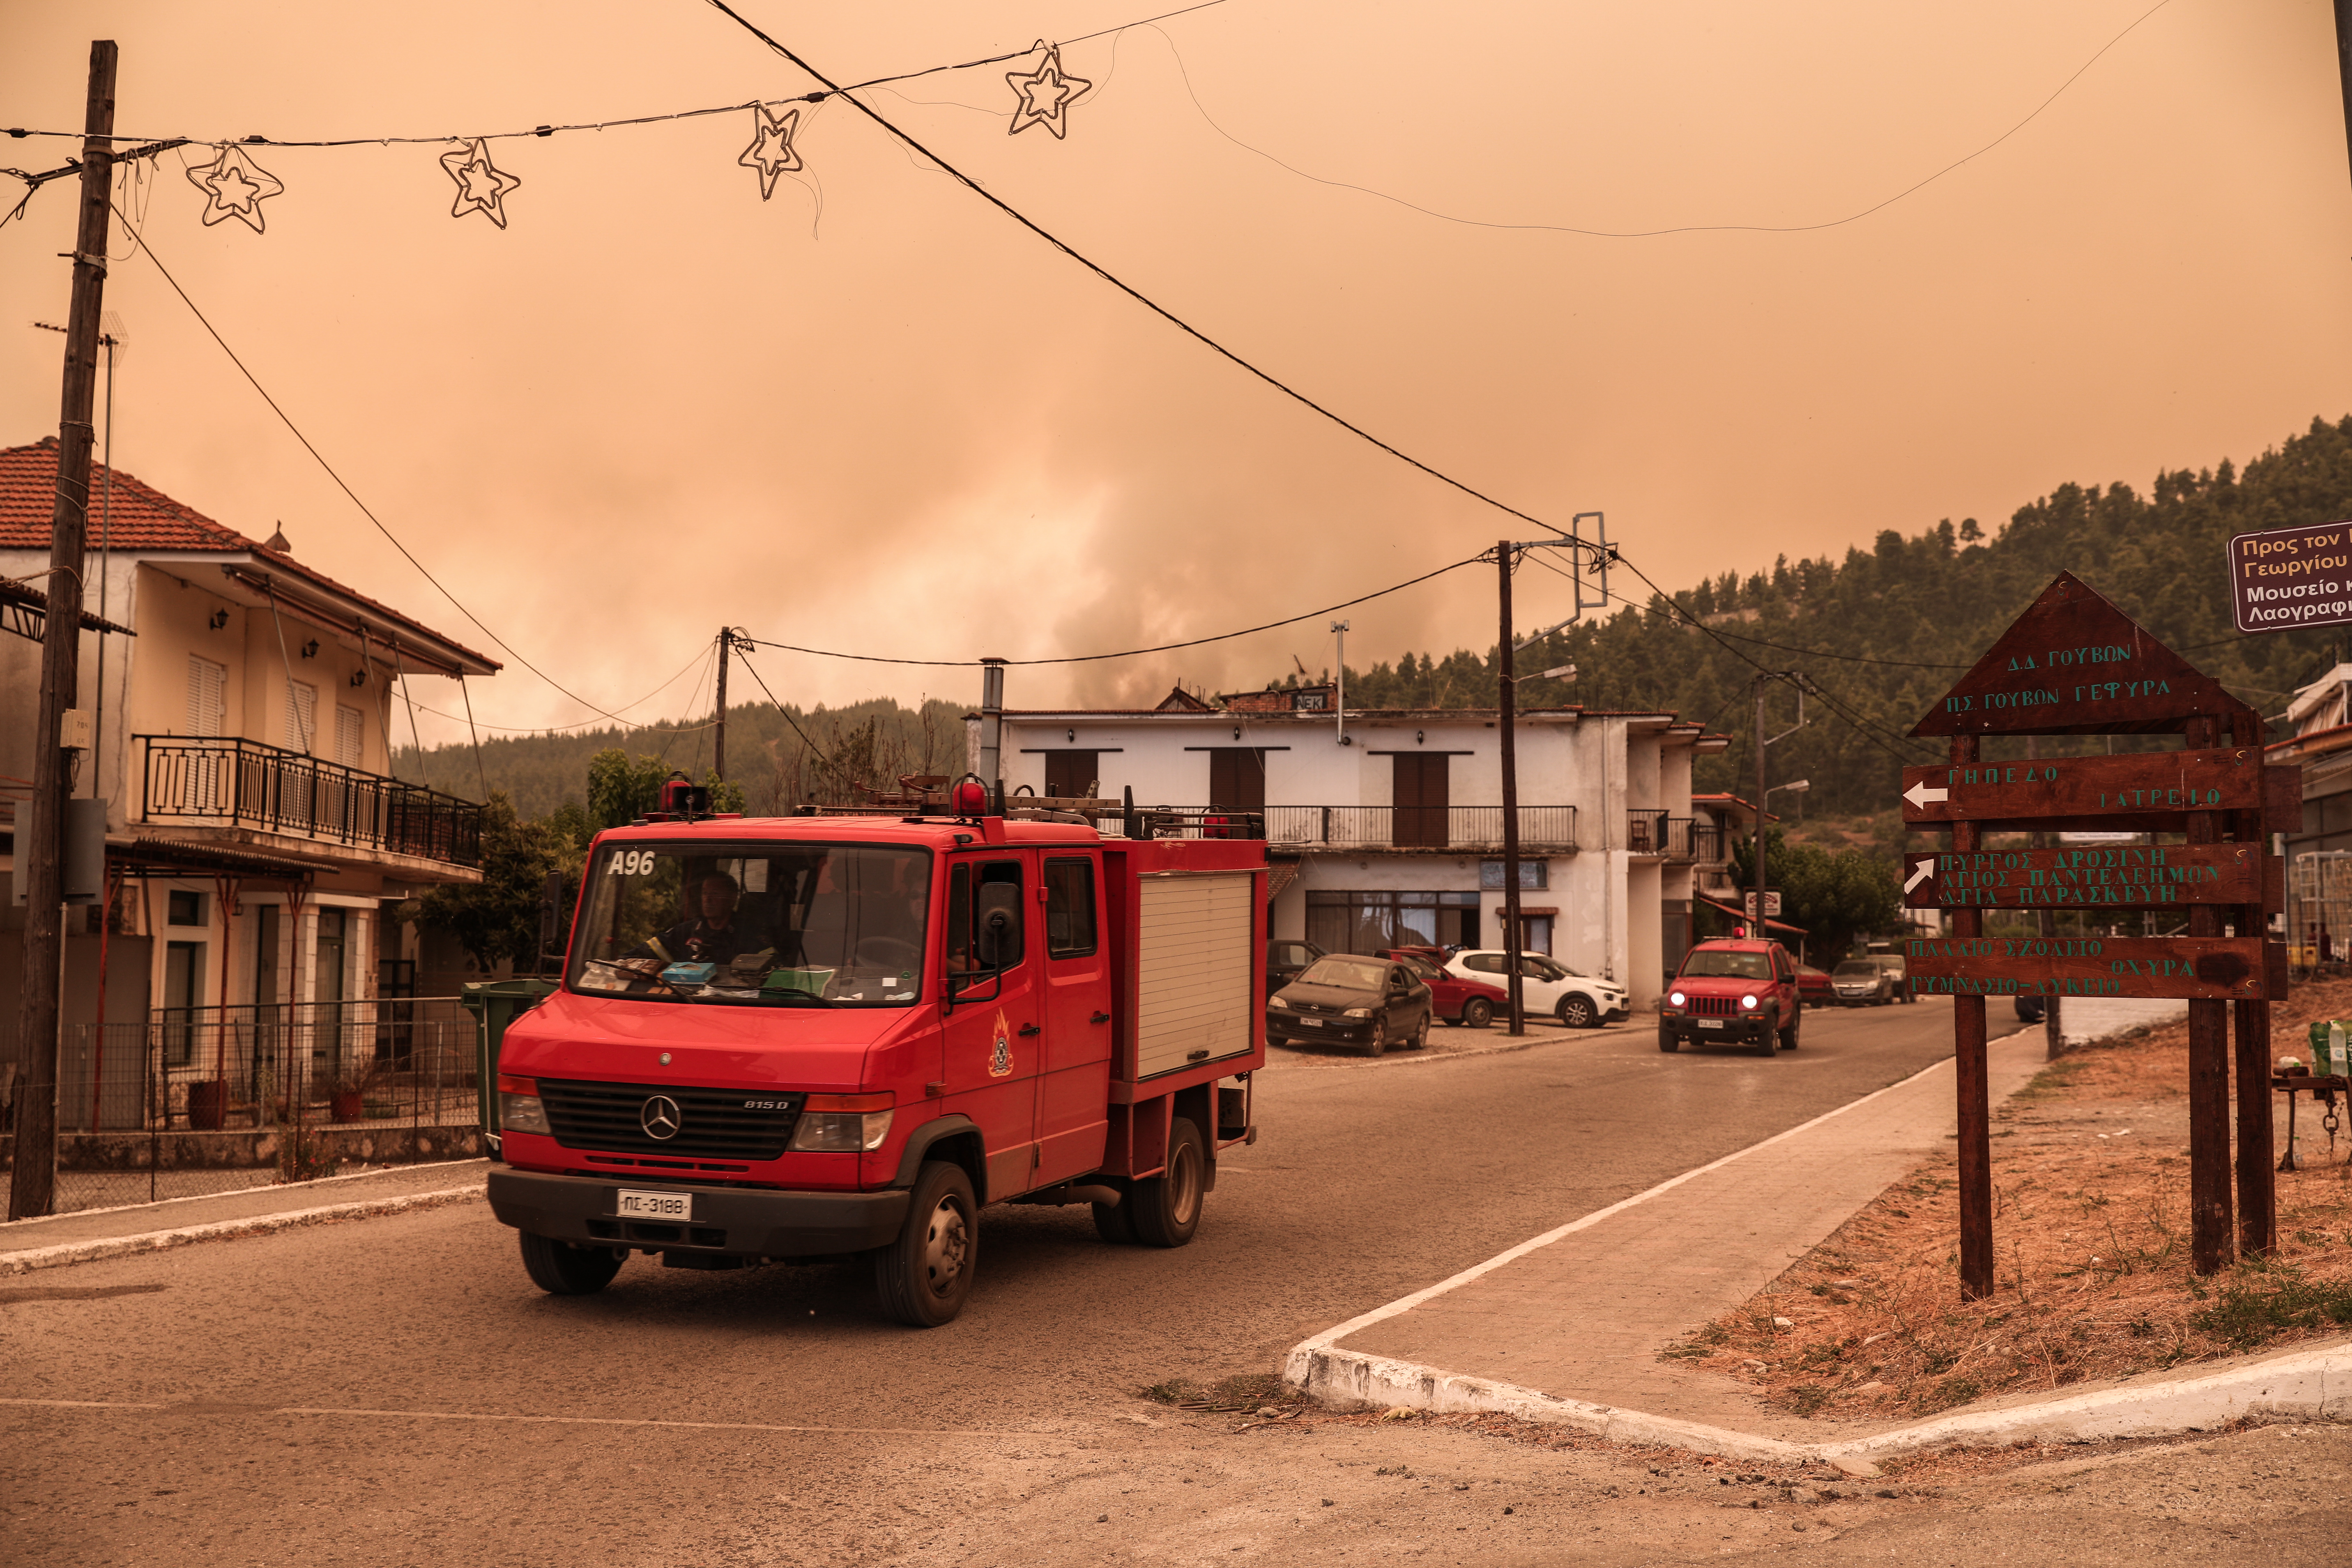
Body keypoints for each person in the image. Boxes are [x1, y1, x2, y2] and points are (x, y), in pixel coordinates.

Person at [640, 873, 779, 967]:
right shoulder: (685, 931)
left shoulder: (750, 936)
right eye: (705, 893)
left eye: (715, 894)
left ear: (732, 899)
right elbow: (642, 953)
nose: (708, 899)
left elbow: (775, 970)